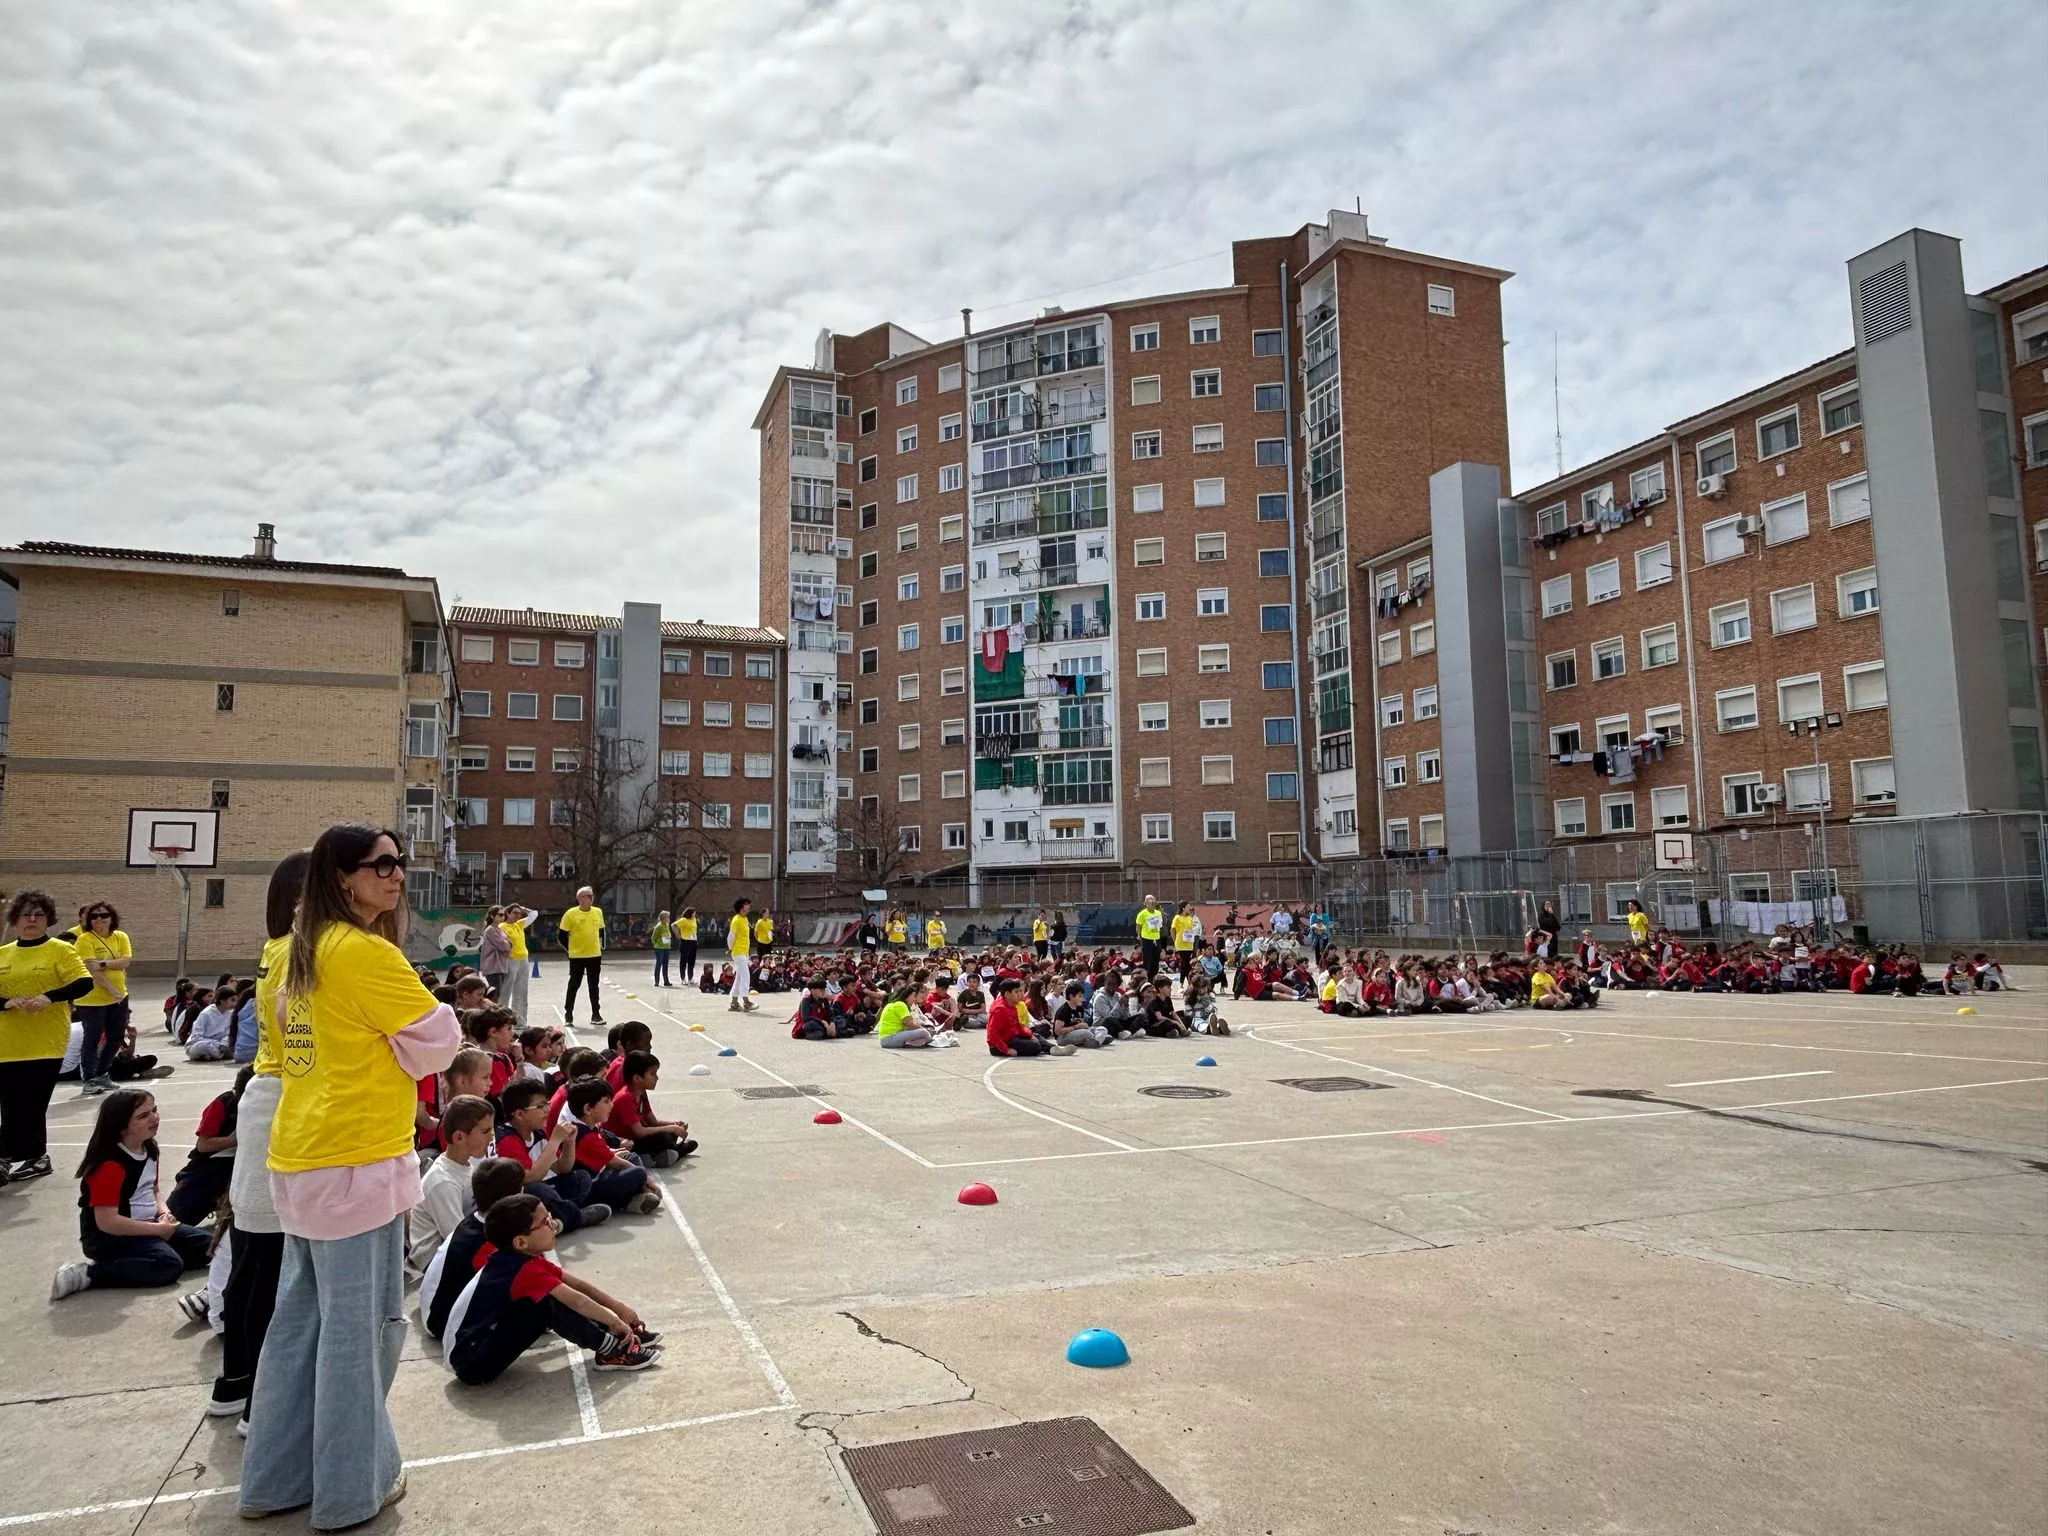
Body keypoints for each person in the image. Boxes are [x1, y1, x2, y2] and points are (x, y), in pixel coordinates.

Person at [237, 823, 460, 1529]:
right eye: (381, 864)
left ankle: (273, 1479)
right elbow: (437, 1046)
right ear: (342, 877)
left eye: (401, 862)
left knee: (297, 1327)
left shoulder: (294, 953)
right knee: (358, 1336)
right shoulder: (364, 954)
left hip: (300, 1157)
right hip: (354, 1162)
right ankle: (348, 1489)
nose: (397, 875)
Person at [208, 850, 307, 1426]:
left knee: (255, 1254)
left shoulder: (277, 947)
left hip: (267, 1102)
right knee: (270, 1262)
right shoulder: (299, 950)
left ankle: (235, 1383)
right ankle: (258, 1399)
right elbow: (301, 1035)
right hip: (281, 1106)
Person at [447, 1193, 658, 1383]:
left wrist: (619, 1310)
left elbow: (576, 1284)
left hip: (474, 1351)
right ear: (520, 1241)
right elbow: (577, 1300)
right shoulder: (521, 1268)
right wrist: (614, 1321)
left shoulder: (520, 1258)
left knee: (550, 1294)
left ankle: (617, 1338)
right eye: (545, 1222)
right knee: (546, 1304)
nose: (554, 1225)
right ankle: (611, 1350)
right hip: (472, 1363)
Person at [51, 1088, 212, 1299]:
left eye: (154, 1110)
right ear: (121, 1126)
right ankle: (88, 1274)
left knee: (209, 1245)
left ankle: (139, 1260)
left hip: (148, 1226)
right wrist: (156, 1231)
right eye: (143, 1116)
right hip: (109, 1237)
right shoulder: (110, 1165)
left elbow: (153, 1190)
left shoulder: (149, 1149)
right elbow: (107, 1222)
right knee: (168, 1266)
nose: (154, 1118)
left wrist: (164, 1213)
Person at [1, 889, 95, 1186]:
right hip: (6, 1042)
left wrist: (48, 997)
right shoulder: (3, 954)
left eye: (38, 914)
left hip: (45, 1041)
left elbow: (83, 983)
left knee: (32, 1102)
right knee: (10, 1102)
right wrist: (7, 1002)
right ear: (15, 919)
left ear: (48, 919)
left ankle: (24, 1157)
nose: (31, 919)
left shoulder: (60, 950)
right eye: (25, 914)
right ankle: (21, 1157)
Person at [417, 1157, 526, 1342]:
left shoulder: (476, 1220)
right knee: (538, 1305)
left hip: (434, 1310)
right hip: (442, 1322)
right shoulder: (489, 1240)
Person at [407, 1094, 495, 1277]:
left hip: (460, 1242)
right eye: (486, 1131)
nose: (492, 1136)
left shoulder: (464, 1164)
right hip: (436, 1258)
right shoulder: (443, 1181)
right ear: (459, 1137)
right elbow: (457, 1238)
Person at [167, 1066, 245, 1225]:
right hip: (208, 1168)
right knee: (172, 1221)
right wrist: (242, 1139)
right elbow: (203, 1145)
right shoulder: (223, 1104)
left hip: (239, 1167)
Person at [70, 902, 132, 1096]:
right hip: (92, 1000)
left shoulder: (120, 936)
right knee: (93, 1037)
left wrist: (104, 962)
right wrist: (111, 990)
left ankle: (102, 1073)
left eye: (103, 915)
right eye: (94, 917)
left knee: (116, 1036)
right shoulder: (84, 940)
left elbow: (126, 960)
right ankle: (89, 1078)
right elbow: (91, 969)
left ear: (111, 917)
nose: (99, 920)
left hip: (119, 997)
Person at [605, 1052, 696, 1166]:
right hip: (622, 1142)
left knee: (666, 1136)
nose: (657, 1078)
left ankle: (666, 1152)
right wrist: (671, 1128)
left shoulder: (641, 1094)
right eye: (652, 1074)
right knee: (662, 1138)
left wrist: (674, 1124)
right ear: (637, 1078)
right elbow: (639, 1132)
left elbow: (654, 1122)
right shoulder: (625, 1097)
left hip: (635, 1138)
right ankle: (675, 1151)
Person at [558, 887, 607, 1026]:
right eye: (589, 896)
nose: (592, 898)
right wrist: (570, 949)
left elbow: (602, 930)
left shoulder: (598, 912)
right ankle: (568, 1015)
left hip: (594, 955)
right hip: (577, 956)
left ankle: (596, 1014)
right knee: (574, 984)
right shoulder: (570, 914)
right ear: (581, 898)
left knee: (594, 985)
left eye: (592, 896)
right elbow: (561, 936)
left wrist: (601, 946)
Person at [989, 976, 1067, 1057]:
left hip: (1012, 1036)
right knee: (1035, 1046)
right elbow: (992, 1033)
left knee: (1036, 1036)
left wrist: (1029, 1035)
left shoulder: (1012, 1004)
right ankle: (1041, 1048)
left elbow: (1017, 1025)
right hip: (999, 1045)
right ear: (1007, 994)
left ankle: (1053, 1049)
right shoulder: (999, 1009)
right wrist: (1006, 1050)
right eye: (1016, 992)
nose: (1020, 994)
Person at [727, 897, 758, 1012]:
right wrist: (730, 948)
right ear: (741, 907)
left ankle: (734, 1002)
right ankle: (746, 1002)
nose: (749, 906)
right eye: (746, 904)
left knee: (739, 977)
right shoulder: (736, 920)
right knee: (746, 976)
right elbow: (731, 936)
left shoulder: (745, 919)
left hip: (744, 952)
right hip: (738, 952)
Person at [477, 906, 513, 1002]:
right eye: (500, 915)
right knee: (495, 994)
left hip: (500, 966)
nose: (503, 917)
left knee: (500, 994)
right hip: (493, 967)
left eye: (504, 915)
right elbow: (504, 946)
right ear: (492, 916)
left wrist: (508, 944)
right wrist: (508, 944)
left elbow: (508, 944)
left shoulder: (499, 929)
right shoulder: (490, 930)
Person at [1135, 895, 1165, 977]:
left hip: (1156, 939)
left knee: (1155, 960)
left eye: (1153, 900)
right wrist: (1138, 935)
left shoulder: (1158, 913)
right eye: (1150, 901)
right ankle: (1146, 977)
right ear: (1145, 903)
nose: (1152, 902)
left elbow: (1160, 925)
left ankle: (1154, 976)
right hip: (1146, 939)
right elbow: (1138, 926)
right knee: (1147, 960)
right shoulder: (1142, 914)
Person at [650, 910, 673, 986]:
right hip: (659, 948)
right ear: (663, 918)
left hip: (666, 947)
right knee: (659, 963)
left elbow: (667, 935)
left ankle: (666, 981)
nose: (669, 919)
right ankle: (657, 981)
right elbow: (653, 937)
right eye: (667, 917)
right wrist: (655, 946)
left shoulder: (666, 925)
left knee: (665, 964)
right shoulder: (659, 926)